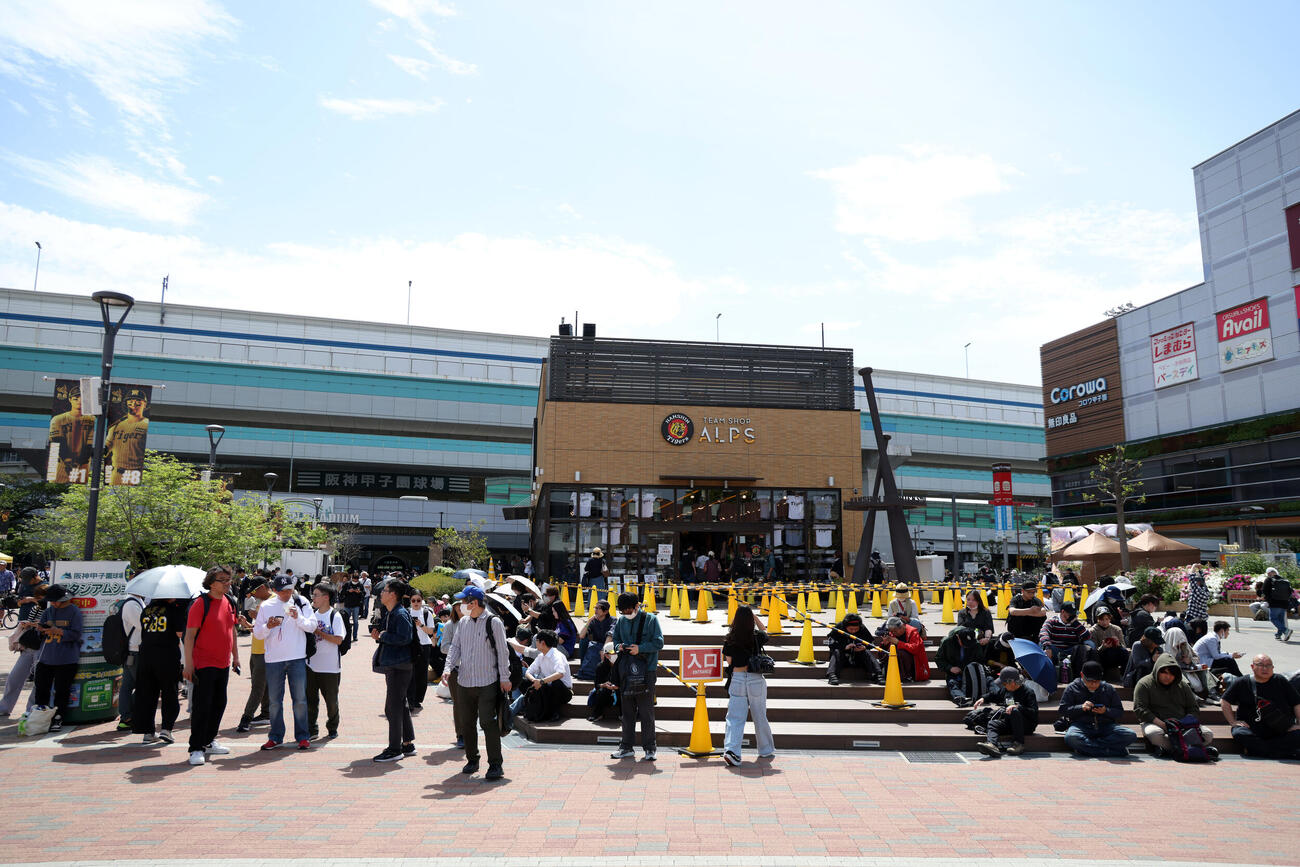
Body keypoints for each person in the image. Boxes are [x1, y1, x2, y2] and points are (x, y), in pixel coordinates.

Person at [441, 585, 511, 779]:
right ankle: (473, 759)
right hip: (464, 681)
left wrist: (505, 678)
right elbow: (455, 648)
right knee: (467, 723)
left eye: (464, 601)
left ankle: (495, 764)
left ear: (474, 603)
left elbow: (503, 652)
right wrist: (447, 669)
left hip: (487, 680)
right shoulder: (463, 623)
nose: (461, 605)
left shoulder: (493, 622)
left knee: (488, 722)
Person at [252, 575, 318, 751]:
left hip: (297, 657)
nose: (287, 594)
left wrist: (298, 618)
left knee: (300, 700)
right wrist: (268, 626)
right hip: (274, 659)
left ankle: (303, 736)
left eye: (289, 589)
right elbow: (258, 634)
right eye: (283, 591)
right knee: (274, 701)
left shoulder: (301, 601)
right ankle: (275, 737)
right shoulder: (266, 606)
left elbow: (312, 626)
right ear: (275, 591)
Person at [183, 566, 241, 765]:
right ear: (211, 582)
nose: (227, 583)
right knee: (202, 706)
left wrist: (236, 657)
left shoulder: (229, 601)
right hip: (203, 663)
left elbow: (231, 629)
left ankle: (208, 741)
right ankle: (196, 747)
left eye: (229, 579)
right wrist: (188, 665)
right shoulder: (201, 603)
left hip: (223, 663)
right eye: (222, 579)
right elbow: (189, 636)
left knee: (219, 703)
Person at [609, 591, 664, 761]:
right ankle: (626, 747)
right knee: (627, 711)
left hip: (647, 670)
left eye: (629, 611)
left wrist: (640, 648)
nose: (626, 615)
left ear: (637, 606)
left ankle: (650, 748)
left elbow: (659, 642)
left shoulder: (651, 620)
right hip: (626, 670)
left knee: (646, 711)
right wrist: (619, 646)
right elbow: (616, 638)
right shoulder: (621, 621)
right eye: (623, 612)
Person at [1134, 653, 1216, 758]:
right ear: (1157, 670)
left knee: (1208, 734)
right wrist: (1163, 725)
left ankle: (1170, 749)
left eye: (1172, 674)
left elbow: (1193, 708)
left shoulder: (1183, 685)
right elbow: (1140, 709)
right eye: (1164, 672)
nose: (1168, 677)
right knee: (1154, 734)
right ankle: (1189, 748)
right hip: (1157, 723)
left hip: (1181, 724)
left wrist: (1185, 723)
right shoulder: (1144, 684)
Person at [371, 579, 417, 762]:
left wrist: (383, 635)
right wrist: (381, 637)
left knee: (392, 708)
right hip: (396, 664)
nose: (381, 593)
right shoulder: (393, 612)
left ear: (393, 595)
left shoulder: (399, 613)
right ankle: (407, 743)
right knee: (400, 705)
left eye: (385, 590)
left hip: (400, 666)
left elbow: (405, 637)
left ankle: (394, 748)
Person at [722, 604, 774, 766]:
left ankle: (732, 751)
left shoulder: (730, 638)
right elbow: (766, 631)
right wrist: (755, 616)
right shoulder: (756, 636)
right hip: (755, 679)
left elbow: (729, 662)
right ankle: (765, 750)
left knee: (735, 717)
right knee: (760, 716)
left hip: (737, 678)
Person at [1221, 654, 1300, 759]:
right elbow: (1224, 701)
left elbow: (1296, 703)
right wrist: (1233, 722)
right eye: (1261, 665)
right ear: (1252, 667)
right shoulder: (1243, 682)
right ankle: (1278, 752)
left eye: (1268, 665)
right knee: (1239, 733)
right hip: (1252, 729)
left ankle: (1261, 751)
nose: (1265, 668)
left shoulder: (1280, 680)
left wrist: (1298, 724)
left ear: (1273, 668)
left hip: (1280, 728)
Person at [132, 597, 186, 745]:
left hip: (146, 655)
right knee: (169, 692)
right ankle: (166, 729)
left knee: (147, 693)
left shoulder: (146, 610)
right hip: (167, 655)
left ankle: (148, 732)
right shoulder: (174, 609)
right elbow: (180, 633)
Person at [30, 584, 83, 731]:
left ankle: (58, 718)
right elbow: (40, 630)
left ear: (63, 599)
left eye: (54, 600)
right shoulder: (48, 611)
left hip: (67, 659)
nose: (52, 603)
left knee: (62, 690)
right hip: (46, 657)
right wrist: (40, 630)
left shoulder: (74, 612)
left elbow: (76, 634)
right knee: (41, 689)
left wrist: (58, 631)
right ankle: (41, 717)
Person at [1059, 660, 1136, 757]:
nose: (1094, 684)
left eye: (1097, 681)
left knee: (1130, 735)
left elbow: (1119, 712)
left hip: (1106, 726)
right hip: (1081, 726)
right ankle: (1113, 751)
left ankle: (1087, 749)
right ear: (1082, 675)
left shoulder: (1108, 689)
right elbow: (1063, 710)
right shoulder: (1072, 688)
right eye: (1090, 681)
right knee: (1071, 737)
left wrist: (1105, 711)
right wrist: (1080, 707)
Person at [0, 572, 45, 718]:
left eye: (39, 598)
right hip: (29, 645)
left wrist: (32, 624)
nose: (37, 600)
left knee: (39, 679)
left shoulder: (49, 608)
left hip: (43, 645)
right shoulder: (35, 607)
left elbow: (49, 625)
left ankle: (30, 710)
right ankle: (4, 707)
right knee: (14, 677)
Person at [973, 666, 1039, 757]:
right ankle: (992, 745)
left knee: (1014, 711)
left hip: (1026, 726)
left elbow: (1033, 712)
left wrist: (1018, 706)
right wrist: (983, 699)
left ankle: (1018, 744)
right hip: (1010, 723)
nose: (1003, 686)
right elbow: (994, 695)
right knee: (993, 723)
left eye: (1004, 684)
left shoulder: (1028, 692)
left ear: (1012, 682)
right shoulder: (1006, 690)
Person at [307, 585, 345, 740]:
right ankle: (311, 729)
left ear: (326, 597)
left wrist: (318, 632)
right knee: (310, 701)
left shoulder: (334, 616)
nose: (313, 598)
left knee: (331, 702)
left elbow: (338, 640)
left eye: (316, 595)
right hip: (310, 665)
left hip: (330, 667)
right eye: (313, 595)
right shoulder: (311, 615)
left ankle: (332, 727)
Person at [236, 579, 272, 732]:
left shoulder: (274, 602)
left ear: (263, 587)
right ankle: (266, 713)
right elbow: (259, 629)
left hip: (266, 651)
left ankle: (246, 718)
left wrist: (258, 616)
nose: (254, 594)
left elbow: (275, 627)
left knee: (257, 686)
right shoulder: (262, 602)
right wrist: (247, 625)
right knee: (263, 685)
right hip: (256, 650)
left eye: (255, 590)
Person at [521, 629, 573, 722]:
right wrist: (534, 681)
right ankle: (533, 710)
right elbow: (528, 672)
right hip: (546, 688)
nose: (535, 642)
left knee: (556, 683)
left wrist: (541, 681)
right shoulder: (541, 656)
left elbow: (560, 673)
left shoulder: (557, 655)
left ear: (542, 643)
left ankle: (555, 712)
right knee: (523, 681)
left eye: (536, 640)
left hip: (563, 692)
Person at [115, 589, 147, 732]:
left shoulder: (138, 600)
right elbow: (144, 625)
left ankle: (126, 717)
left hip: (135, 649)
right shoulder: (131, 604)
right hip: (135, 650)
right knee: (142, 685)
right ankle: (128, 716)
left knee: (128, 685)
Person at [47, 381, 91, 483]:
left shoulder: (90, 419)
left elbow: (88, 444)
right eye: (76, 399)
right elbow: (57, 442)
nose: (79, 401)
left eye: (82, 399)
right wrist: (68, 460)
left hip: (82, 467)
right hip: (61, 466)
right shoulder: (58, 419)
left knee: (80, 491)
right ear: (70, 399)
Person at [104, 386, 149, 485]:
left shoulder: (146, 424)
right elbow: (106, 449)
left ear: (144, 404)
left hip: (135, 474)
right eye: (130, 400)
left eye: (138, 400)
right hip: (116, 473)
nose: (133, 403)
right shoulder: (115, 427)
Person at [936, 626, 986, 706]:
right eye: (964, 643)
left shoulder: (975, 643)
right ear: (958, 637)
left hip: (970, 672)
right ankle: (960, 698)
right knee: (952, 682)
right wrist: (950, 668)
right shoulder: (947, 642)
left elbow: (980, 660)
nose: (966, 646)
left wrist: (966, 668)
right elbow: (939, 659)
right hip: (953, 673)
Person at [826, 613, 880, 685]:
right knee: (836, 652)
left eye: (856, 629)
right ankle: (832, 675)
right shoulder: (839, 627)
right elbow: (831, 643)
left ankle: (878, 675)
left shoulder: (862, 628)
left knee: (866, 652)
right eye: (851, 629)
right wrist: (845, 647)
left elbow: (871, 643)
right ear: (845, 626)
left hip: (858, 658)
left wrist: (864, 647)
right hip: (843, 658)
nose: (854, 631)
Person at [1038, 602, 1091, 677]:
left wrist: (1075, 623)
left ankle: (1079, 675)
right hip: (1055, 650)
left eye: (1074, 614)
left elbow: (1087, 636)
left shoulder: (1076, 624)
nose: (1073, 616)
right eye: (1070, 614)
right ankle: (1047, 673)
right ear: (1062, 612)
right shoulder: (1052, 621)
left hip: (1071, 651)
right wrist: (1047, 646)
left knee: (1083, 648)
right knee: (1042, 645)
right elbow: (1043, 632)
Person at [874, 616, 930, 683]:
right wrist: (884, 645)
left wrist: (898, 643)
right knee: (891, 652)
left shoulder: (913, 632)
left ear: (902, 626)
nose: (893, 633)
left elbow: (915, 649)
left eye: (895, 631)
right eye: (891, 631)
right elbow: (881, 655)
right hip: (898, 662)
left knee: (901, 652)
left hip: (915, 663)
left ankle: (905, 677)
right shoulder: (892, 633)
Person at [408, 590, 436, 711]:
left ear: (422, 600)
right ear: (410, 601)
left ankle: (418, 699)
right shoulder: (406, 612)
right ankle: (410, 698)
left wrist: (420, 625)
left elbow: (431, 631)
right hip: (410, 646)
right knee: (410, 673)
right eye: (413, 600)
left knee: (421, 674)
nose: (416, 603)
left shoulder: (426, 613)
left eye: (418, 600)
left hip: (424, 646)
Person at [1087, 608, 1128, 678]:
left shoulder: (1117, 629)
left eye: (1107, 619)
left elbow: (1124, 646)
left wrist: (1118, 644)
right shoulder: (1092, 631)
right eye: (1102, 619)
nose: (1105, 622)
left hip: (1115, 654)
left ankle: (1125, 675)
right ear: (1097, 619)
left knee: (1124, 652)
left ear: (1110, 619)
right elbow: (1094, 651)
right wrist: (1103, 646)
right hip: (1102, 656)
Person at [576, 600, 613, 679]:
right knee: (583, 641)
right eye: (595, 607)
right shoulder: (594, 621)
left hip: (609, 647)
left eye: (598, 608)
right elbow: (581, 636)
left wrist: (604, 649)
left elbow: (610, 636)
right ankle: (583, 669)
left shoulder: (613, 620)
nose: (595, 610)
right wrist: (589, 621)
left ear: (606, 611)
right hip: (597, 645)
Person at [586, 641, 620, 720]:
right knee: (602, 691)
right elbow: (597, 685)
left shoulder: (622, 665)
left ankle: (625, 715)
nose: (616, 654)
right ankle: (597, 714)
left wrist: (618, 686)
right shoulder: (600, 667)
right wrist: (604, 685)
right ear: (607, 655)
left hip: (619, 694)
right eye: (613, 652)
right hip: (607, 695)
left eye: (617, 652)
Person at [1261, 567, 1295, 641]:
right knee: (1280, 620)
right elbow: (1291, 591)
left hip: (1274, 602)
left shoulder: (1269, 579)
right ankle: (1278, 635)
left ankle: (1286, 631)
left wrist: (1264, 598)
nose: (1268, 575)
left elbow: (1264, 591)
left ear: (1270, 573)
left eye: (1268, 573)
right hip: (1284, 603)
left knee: (1273, 618)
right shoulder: (1285, 580)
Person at [340, 572, 365, 642]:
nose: (355, 581)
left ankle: (355, 636)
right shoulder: (347, 584)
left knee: (356, 622)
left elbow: (363, 594)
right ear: (352, 579)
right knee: (345, 621)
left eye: (356, 580)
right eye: (354, 580)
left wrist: (359, 592)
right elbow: (342, 593)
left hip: (356, 605)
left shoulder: (360, 585)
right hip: (347, 605)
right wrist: (348, 591)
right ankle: (345, 635)